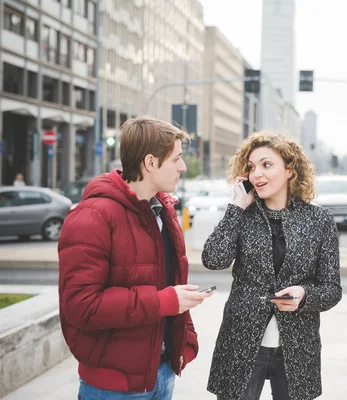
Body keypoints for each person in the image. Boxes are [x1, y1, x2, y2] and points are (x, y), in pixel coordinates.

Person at [58, 116, 213, 400]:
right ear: (150, 163)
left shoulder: (163, 211)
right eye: (177, 159)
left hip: (161, 373)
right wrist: (165, 301)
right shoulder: (92, 217)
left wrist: (184, 339)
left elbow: (170, 283)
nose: (182, 167)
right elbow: (81, 306)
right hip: (112, 386)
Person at [202, 133, 342, 400]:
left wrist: (304, 295)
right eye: (252, 167)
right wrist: (236, 207)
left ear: (290, 170)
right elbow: (213, 259)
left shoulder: (320, 220)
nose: (257, 174)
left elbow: (332, 289)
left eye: (266, 165)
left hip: (298, 346)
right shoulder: (242, 214)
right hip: (241, 341)